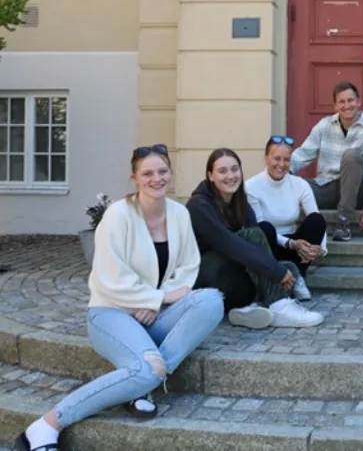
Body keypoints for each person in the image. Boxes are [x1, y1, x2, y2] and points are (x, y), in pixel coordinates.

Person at [13, 145, 225, 451]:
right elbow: (108, 278)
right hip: (111, 313)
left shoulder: (179, 214)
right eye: (148, 173)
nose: (157, 179)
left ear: (170, 173)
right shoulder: (118, 215)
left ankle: (141, 385)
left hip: (156, 313)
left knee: (211, 301)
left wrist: (157, 302)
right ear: (135, 178)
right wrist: (152, 299)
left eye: (162, 171)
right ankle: (46, 425)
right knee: (146, 368)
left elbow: (188, 267)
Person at [187, 148, 324, 329]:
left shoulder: (240, 201)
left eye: (235, 169)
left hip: (228, 277)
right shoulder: (199, 205)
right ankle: (279, 306)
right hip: (203, 277)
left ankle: (247, 308)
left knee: (288, 267)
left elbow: (254, 249)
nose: (230, 176)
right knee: (257, 240)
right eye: (222, 171)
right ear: (210, 176)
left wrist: (277, 269)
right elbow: (229, 244)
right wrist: (275, 271)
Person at [290, 80, 363, 242]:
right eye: (341, 101)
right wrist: (283, 171)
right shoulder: (324, 126)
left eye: (350, 100)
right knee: (293, 185)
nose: (346, 105)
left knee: (350, 156)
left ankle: (344, 223)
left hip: (356, 192)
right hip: (327, 187)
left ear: (359, 102)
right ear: (335, 106)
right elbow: (303, 154)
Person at [247, 137, 330, 301]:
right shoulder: (251, 186)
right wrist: (290, 243)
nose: (281, 164)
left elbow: (316, 216)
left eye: (286, 159)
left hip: (296, 246)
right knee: (264, 228)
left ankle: (298, 278)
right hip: (270, 244)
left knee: (316, 220)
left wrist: (322, 248)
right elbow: (257, 226)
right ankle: (274, 279)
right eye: (276, 158)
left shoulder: (300, 184)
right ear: (266, 158)